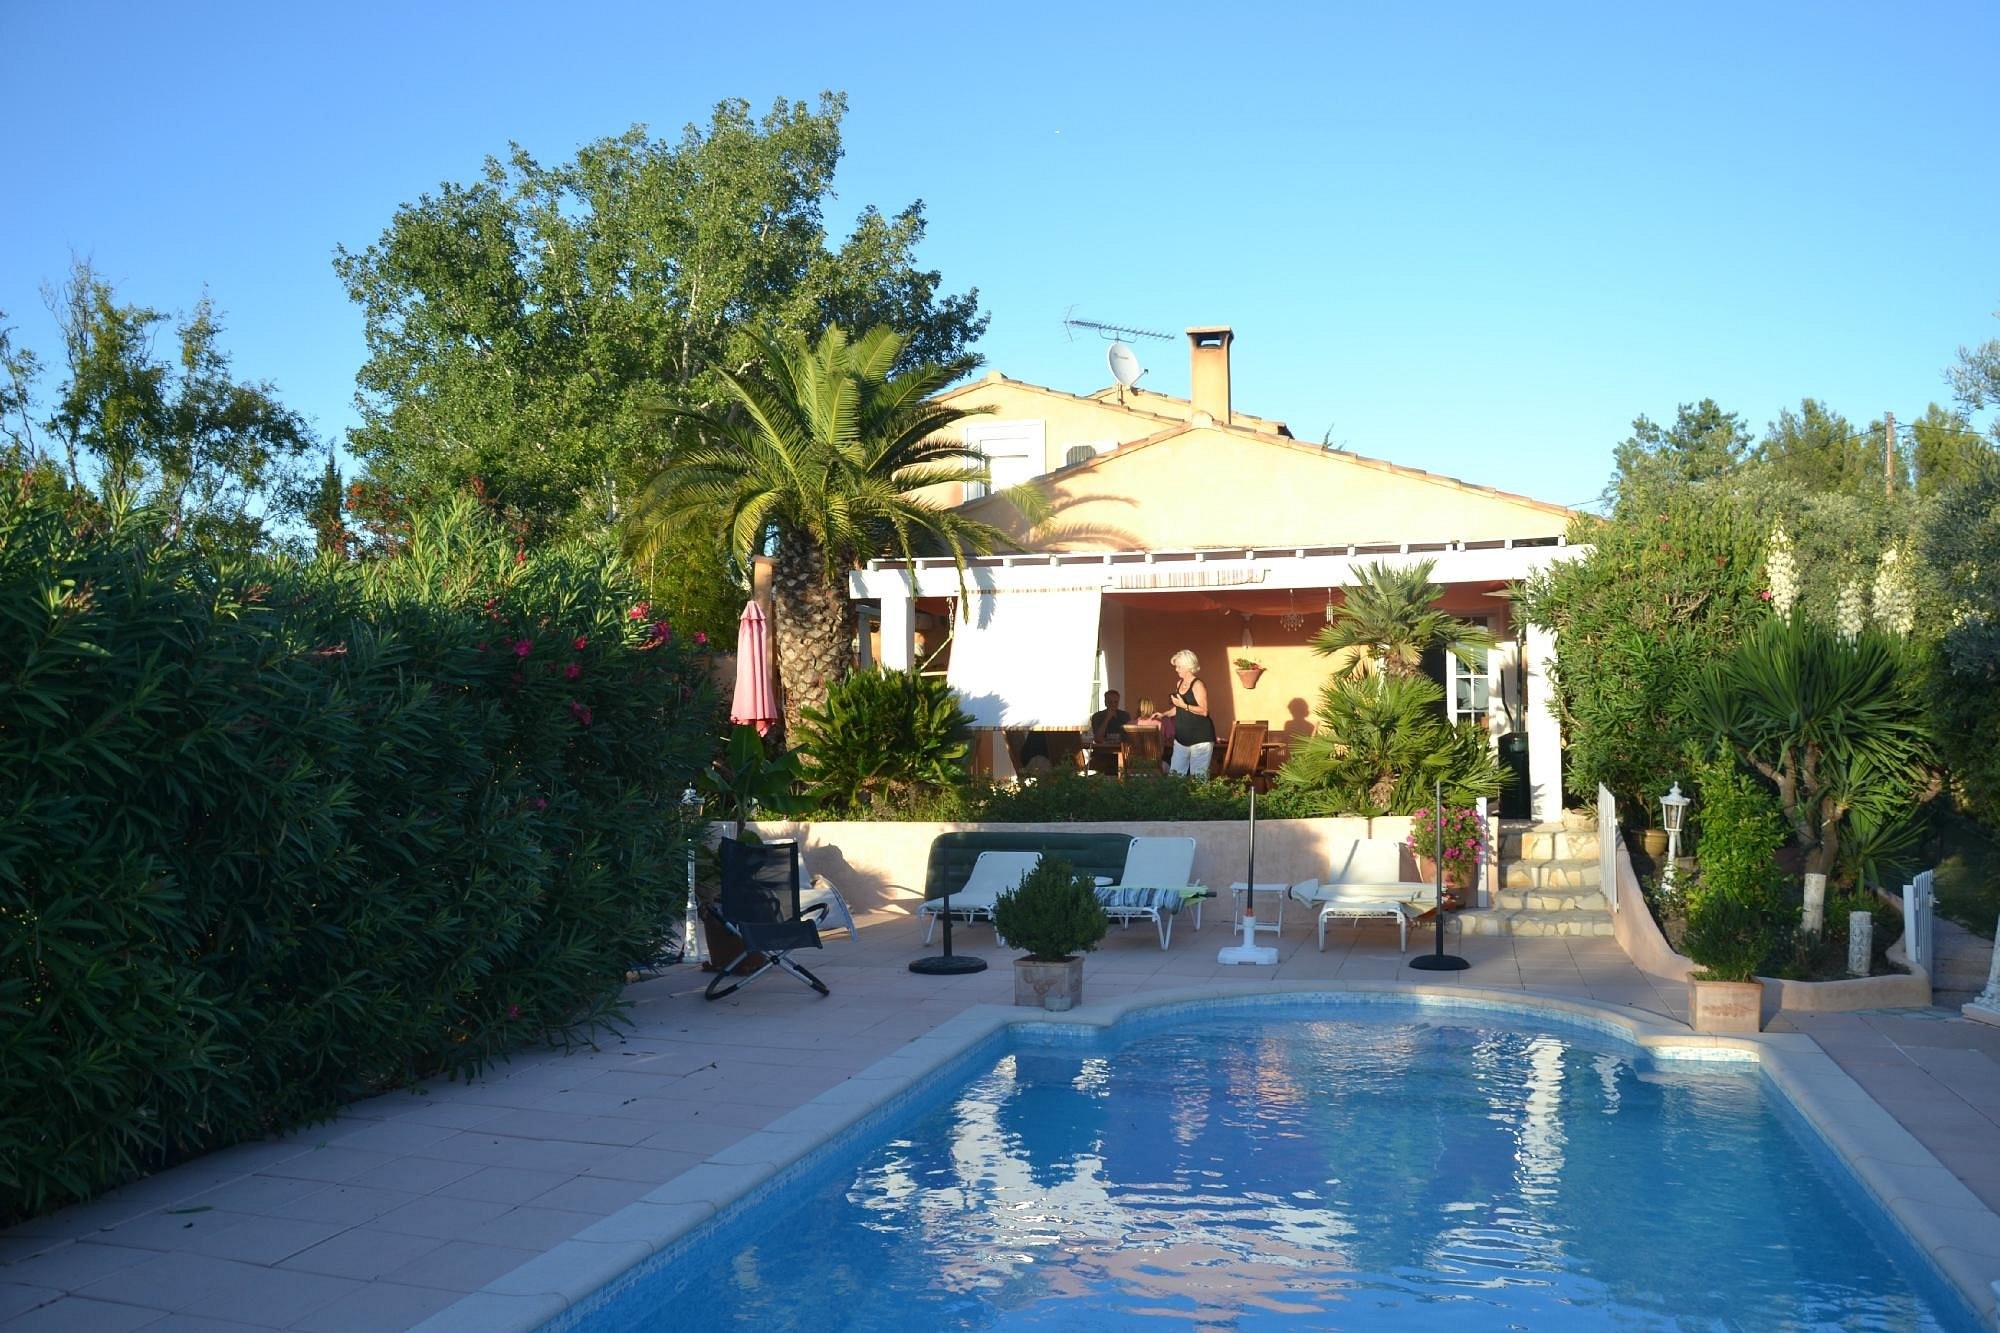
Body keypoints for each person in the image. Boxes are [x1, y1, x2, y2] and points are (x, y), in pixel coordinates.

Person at [1159, 650, 1215, 777]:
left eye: (1179, 666)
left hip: (1200, 738)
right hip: (1182, 738)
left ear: (1188, 666)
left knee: (1198, 777)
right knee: (1175, 776)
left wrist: (1183, 705)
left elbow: (1204, 710)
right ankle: (1177, 798)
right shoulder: (1179, 683)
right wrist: (1164, 714)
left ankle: (1199, 798)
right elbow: (1178, 709)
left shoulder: (1198, 684)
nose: (1176, 669)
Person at [1075, 689, 1131, 773]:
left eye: (1115, 702)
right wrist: (1107, 718)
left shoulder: (1124, 716)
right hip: (1101, 753)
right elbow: (1097, 737)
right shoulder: (1097, 716)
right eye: (1110, 702)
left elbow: (1129, 737)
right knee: (1091, 768)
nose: (1113, 705)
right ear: (1105, 703)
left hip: (1121, 753)